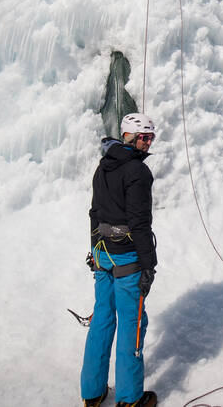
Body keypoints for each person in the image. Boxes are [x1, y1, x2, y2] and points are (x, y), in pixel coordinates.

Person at [80, 113, 159, 407]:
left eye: (151, 137)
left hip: (102, 254)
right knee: (131, 323)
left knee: (102, 319)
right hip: (127, 259)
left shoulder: (104, 165)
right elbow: (140, 223)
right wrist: (149, 265)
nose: (148, 142)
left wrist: (93, 250)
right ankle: (129, 399)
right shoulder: (138, 172)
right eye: (143, 137)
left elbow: (94, 213)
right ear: (129, 136)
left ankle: (92, 392)